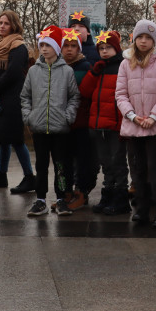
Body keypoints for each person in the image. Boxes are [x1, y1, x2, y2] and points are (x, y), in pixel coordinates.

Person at [116, 19, 156, 228]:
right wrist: (132, 116)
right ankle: (141, 209)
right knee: (137, 169)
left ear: (154, 41)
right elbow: (121, 94)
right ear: (134, 39)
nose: (143, 41)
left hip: (155, 126)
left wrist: (153, 116)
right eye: (139, 37)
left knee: (155, 169)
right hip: (133, 126)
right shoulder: (125, 63)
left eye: (148, 38)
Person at [21, 25, 79, 217]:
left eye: (48, 44)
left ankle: (62, 199)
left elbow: (73, 97)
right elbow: (25, 97)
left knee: (61, 165)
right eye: (42, 44)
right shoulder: (33, 72)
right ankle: (40, 200)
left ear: (57, 47)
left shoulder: (67, 72)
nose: (44, 48)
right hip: (39, 128)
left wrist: (68, 116)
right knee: (41, 165)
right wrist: (28, 116)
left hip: (60, 128)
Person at [0, 11, 35, 194]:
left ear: (14, 26)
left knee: (15, 138)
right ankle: (1, 175)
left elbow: (13, 73)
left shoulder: (18, 46)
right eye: (0, 22)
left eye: (7, 23)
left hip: (14, 98)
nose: (2, 26)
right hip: (0, 97)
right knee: (4, 138)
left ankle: (29, 177)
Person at [79, 29, 129, 215]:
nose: (105, 51)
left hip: (116, 125)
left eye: (108, 47)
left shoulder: (123, 67)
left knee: (118, 162)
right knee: (105, 163)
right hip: (98, 124)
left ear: (116, 48)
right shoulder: (98, 69)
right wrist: (93, 73)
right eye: (101, 48)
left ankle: (121, 197)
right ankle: (107, 194)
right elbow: (85, 91)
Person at [61, 27, 97, 211]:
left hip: (81, 122)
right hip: (61, 123)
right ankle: (64, 193)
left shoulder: (85, 67)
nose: (69, 49)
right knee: (63, 162)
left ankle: (81, 193)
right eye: (65, 45)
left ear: (79, 48)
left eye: (73, 46)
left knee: (83, 161)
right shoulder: (56, 67)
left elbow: (88, 94)